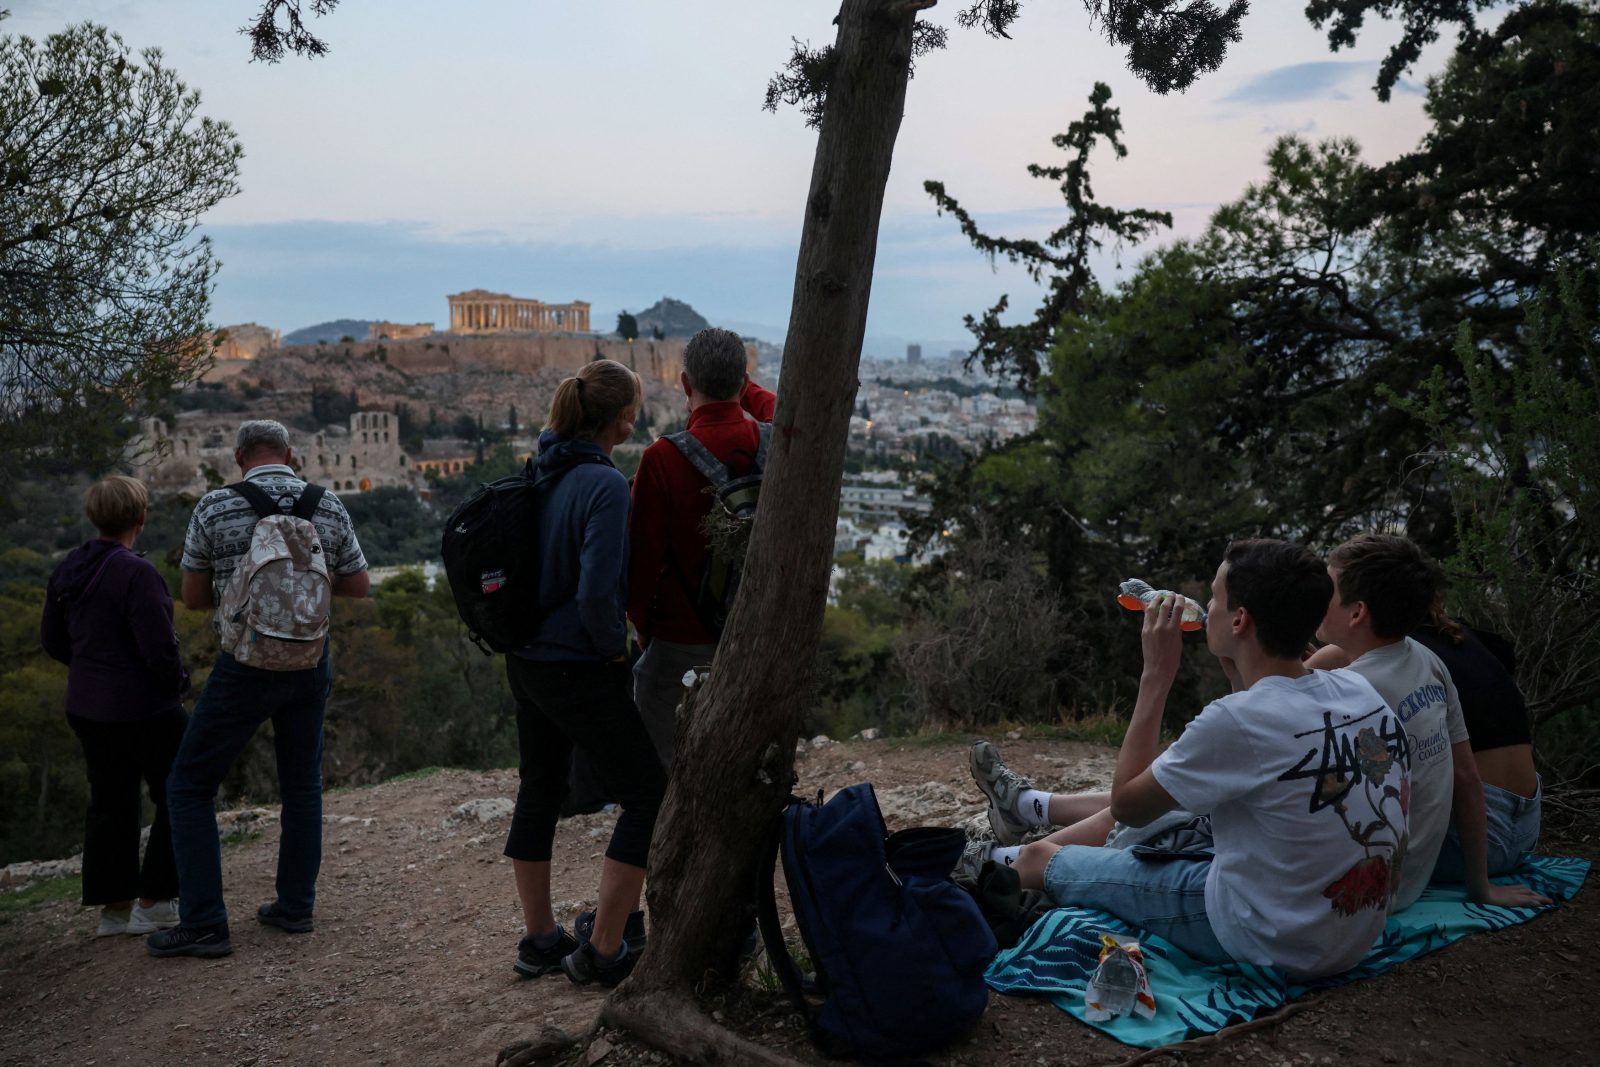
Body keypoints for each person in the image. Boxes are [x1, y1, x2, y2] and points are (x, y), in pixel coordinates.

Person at [968, 540, 1410, 981]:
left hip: (1275, 941)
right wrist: (1237, 668)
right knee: (1175, 819)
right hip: (1351, 935)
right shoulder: (1358, 691)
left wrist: (1156, 676)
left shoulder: (1237, 721)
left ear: (1240, 620)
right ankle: (1025, 815)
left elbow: (1127, 806)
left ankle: (983, 866)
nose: (1207, 605)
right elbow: (1264, 744)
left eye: (1215, 596)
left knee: (1044, 856)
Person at [149, 420, 369, 958]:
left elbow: (195, 598)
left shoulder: (215, 507)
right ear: (291, 455)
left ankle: (203, 921)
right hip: (311, 660)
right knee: (301, 786)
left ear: (240, 457)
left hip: (244, 664)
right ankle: (295, 906)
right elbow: (359, 585)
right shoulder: (329, 504)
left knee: (189, 786)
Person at [504, 359, 666, 987]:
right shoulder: (602, 484)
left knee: (539, 787)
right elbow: (599, 592)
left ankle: (540, 937)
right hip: (578, 664)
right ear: (624, 419)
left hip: (526, 659)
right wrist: (612, 653)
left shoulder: (542, 465)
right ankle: (603, 949)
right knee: (648, 795)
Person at [1306, 534, 1547, 909]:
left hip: (1376, 891)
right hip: (1428, 872)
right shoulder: (1428, 660)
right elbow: (1467, 776)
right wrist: (1481, 888)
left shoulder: (1348, 689)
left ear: (1357, 612)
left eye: (1327, 590)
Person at [40, 475, 189, 938]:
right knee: (181, 792)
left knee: (110, 802)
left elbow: (53, 640)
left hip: (87, 706)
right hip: (145, 706)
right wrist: (179, 683)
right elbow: (159, 648)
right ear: (141, 519)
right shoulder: (137, 573)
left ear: (94, 518)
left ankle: (116, 909)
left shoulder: (67, 568)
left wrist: (92, 669)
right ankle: (157, 900)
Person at [626, 327, 774, 765]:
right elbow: (776, 408)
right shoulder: (775, 441)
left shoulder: (662, 459)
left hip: (679, 640)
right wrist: (745, 390)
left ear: (685, 384)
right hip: (755, 635)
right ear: (744, 382)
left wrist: (646, 630)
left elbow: (641, 564)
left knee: (665, 770)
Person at [1413, 604, 1542, 879]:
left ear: (1359, 609)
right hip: (1525, 834)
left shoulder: (1398, 651)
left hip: (1472, 847)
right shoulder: (1461, 636)